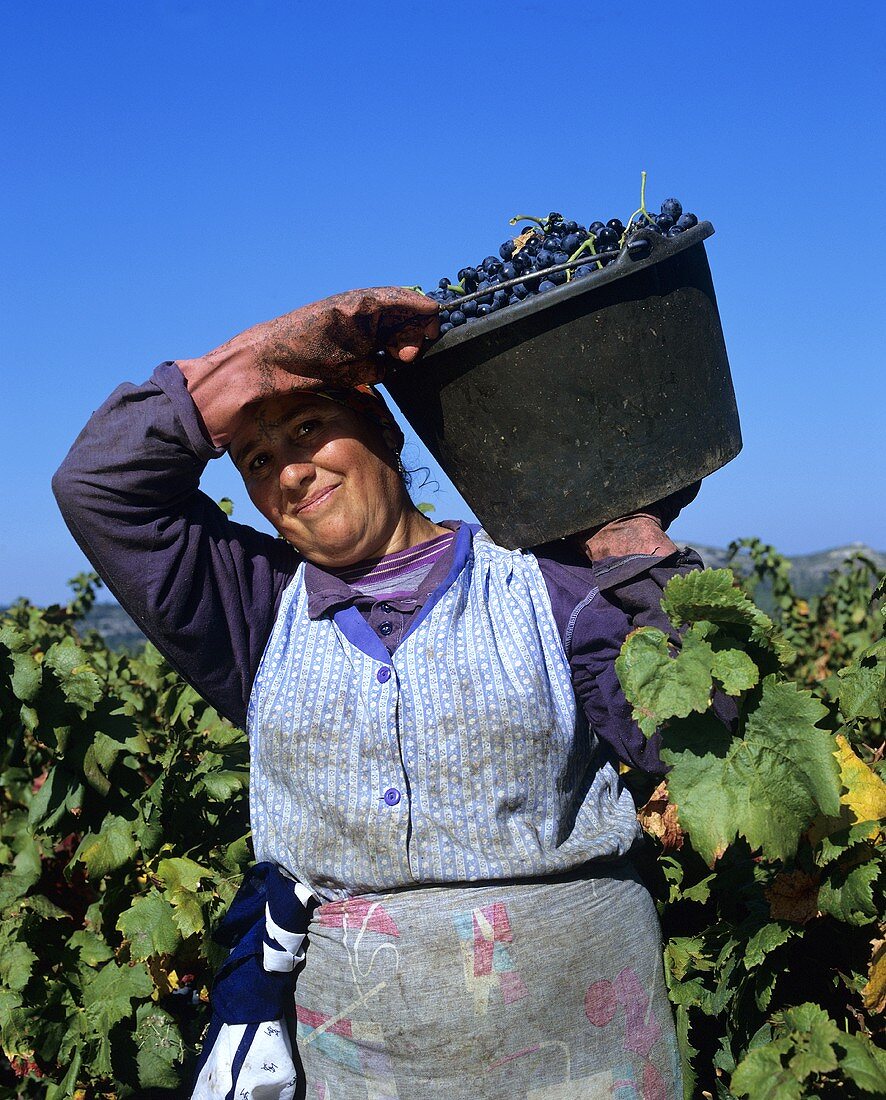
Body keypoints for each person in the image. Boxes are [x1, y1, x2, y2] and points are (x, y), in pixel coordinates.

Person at [54, 287, 705, 1099]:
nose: (289, 471)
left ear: (384, 435)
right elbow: (97, 486)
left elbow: (694, 736)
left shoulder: (550, 591)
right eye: (258, 461)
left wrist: (639, 559)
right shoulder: (253, 616)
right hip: (365, 1070)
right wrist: (252, 366)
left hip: (587, 1052)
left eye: (307, 429)